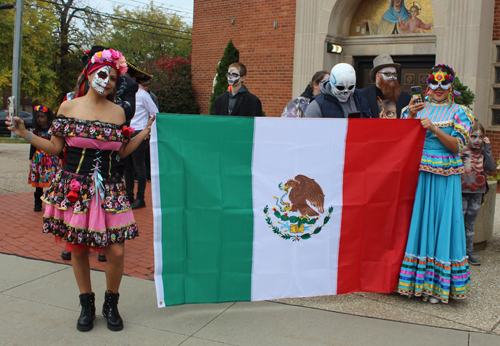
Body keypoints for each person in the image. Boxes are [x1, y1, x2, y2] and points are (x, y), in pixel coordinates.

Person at [6, 49, 155, 332]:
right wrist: (26, 133)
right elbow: (56, 148)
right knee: (78, 248)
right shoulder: (68, 108)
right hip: (76, 188)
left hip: (111, 190)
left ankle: (111, 304)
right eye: (103, 75)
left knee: (117, 251)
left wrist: (143, 134)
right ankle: (86, 303)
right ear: (89, 74)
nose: (108, 81)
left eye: (113, 78)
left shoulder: (119, 112)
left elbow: (122, 151)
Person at [396, 63, 474, 304]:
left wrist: (434, 129)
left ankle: (439, 287)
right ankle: (416, 282)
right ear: (428, 84)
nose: (439, 88)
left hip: (444, 175)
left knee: (442, 222)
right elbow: (398, 137)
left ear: (452, 86)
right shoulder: (417, 108)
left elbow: (458, 146)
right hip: (418, 172)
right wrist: (410, 114)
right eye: (434, 83)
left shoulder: (460, 111)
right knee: (419, 221)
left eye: (444, 83)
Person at [461, 122, 495, 266]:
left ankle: (469, 252)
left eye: (480, 137)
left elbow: (491, 167)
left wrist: (487, 148)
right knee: (458, 222)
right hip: (461, 192)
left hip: (477, 193)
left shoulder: (483, 152)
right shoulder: (461, 151)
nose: (476, 140)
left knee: (470, 224)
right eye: (473, 136)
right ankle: (458, 253)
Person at [124, 74, 158, 209]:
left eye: (147, 85)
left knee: (139, 167)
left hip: (139, 132)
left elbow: (155, 113)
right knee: (128, 167)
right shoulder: (129, 94)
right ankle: (129, 196)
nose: (146, 87)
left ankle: (140, 198)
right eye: (144, 84)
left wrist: (148, 130)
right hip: (127, 131)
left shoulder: (143, 95)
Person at [304, 63, 371, 118]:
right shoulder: (317, 105)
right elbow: (310, 130)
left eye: (350, 87)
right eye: (340, 87)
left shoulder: (362, 99)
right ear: (331, 84)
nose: (346, 92)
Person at [28, 105, 60, 212]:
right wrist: (31, 159)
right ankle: (37, 205)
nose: (39, 119)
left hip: (51, 159)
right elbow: (32, 146)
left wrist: (60, 158)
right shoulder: (35, 131)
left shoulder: (53, 130)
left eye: (42, 117)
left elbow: (58, 145)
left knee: (53, 182)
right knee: (39, 184)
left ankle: (54, 204)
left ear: (48, 117)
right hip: (39, 160)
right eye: (37, 117)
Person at [359, 54, 411, 119]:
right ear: (378, 76)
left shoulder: (405, 98)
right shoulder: (363, 95)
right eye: (387, 74)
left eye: (394, 74)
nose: (392, 77)